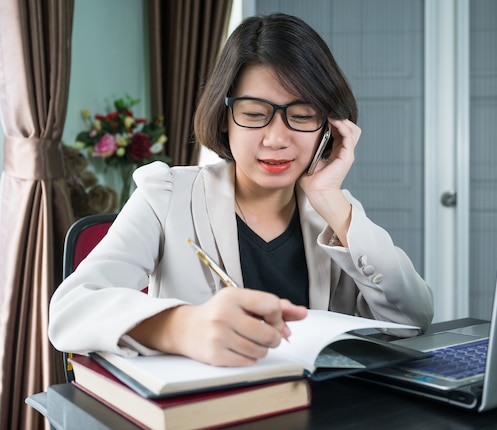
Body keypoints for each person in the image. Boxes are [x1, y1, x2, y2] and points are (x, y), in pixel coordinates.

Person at [48, 13, 433, 367]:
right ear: (223, 120)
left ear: (329, 127)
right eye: (253, 114)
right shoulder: (166, 196)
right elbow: (71, 310)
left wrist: (334, 202)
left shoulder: (335, 214)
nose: (276, 139)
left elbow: (413, 318)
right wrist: (182, 326)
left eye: (301, 116)